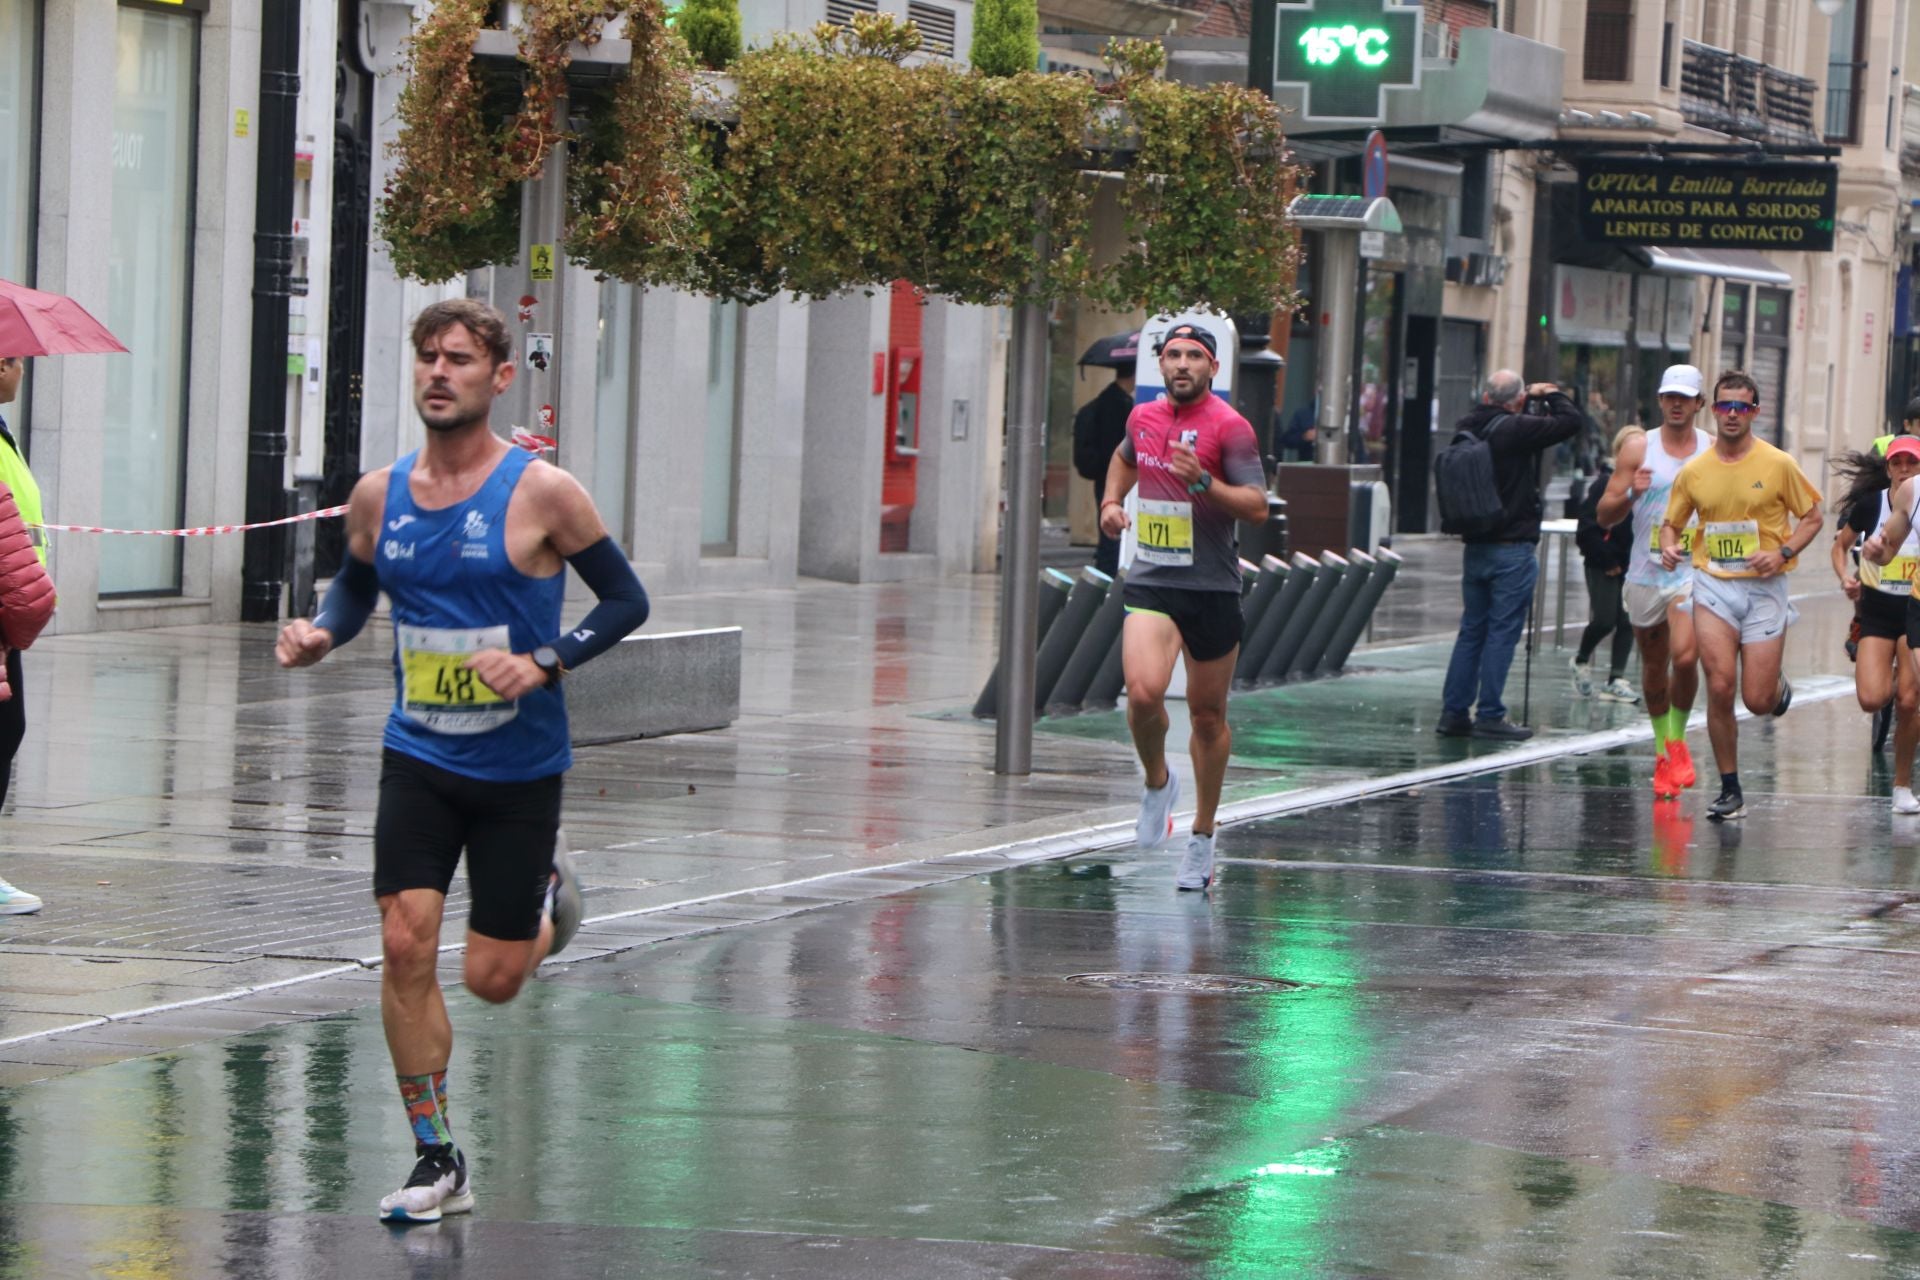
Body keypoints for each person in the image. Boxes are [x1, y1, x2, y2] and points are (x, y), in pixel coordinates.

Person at [275, 300, 650, 1222]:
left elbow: (627, 600)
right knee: (404, 941)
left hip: (520, 768)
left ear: (498, 377)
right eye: (427, 358)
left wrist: (545, 659)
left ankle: (549, 899)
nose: (439, 373)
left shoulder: (543, 493)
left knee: (493, 980)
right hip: (418, 757)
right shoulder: (379, 493)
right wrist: (324, 631)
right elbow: (359, 580)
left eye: (459, 360)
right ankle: (436, 1158)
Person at [1099, 323, 1268, 891]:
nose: (1182, 364)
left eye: (1195, 356)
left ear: (1213, 368)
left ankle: (1202, 835)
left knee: (1206, 716)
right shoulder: (1142, 417)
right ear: (1160, 365)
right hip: (1152, 579)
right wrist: (1110, 502)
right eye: (1173, 355)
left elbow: (1256, 506)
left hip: (1213, 588)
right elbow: (1123, 460)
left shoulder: (1231, 428)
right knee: (1143, 693)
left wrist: (1204, 485)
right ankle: (1156, 782)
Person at [1662, 370, 1822, 822]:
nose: (1732, 414)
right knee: (1718, 684)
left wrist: (1784, 551)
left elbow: (1813, 515)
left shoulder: (1778, 464)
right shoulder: (1695, 471)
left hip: (1765, 587)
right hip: (1713, 583)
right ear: (1713, 410)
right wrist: (1672, 544)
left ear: (1754, 412)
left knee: (1756, 700)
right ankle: (1730, 788)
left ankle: (1774, 684)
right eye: (1724, 406)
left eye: (1741, 407)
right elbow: (1673, 523)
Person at [1435, 371, 1582, 741]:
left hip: (1477, 545)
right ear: (1518, 401)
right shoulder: (1514, 429)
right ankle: (1490, 712)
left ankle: (1454, 712)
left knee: (1472, 630)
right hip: (1512, 548)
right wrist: (1550, 392)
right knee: (1502, 632)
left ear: (1485, 396)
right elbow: (1571, 422)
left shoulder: (1468, 427)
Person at [1594, 364, 1714, 799]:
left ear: (1700, 404)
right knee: (1653, 668)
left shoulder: (1714, 449)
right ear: (1660, 401)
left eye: (1685, 397)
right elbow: (1604, 514)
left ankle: (1677, 742)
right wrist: (1632, 493)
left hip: (1692, 572)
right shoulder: (1638, 449)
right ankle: (1664, 749)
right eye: (1669, 396)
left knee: (1685, 659)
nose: (1677, 404)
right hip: (1645, 572)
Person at [1832, 436, 1920, 813]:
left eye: (1911, 463)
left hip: (1913, 609)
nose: (1903, 470)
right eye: (1896, 463)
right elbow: (1846, 545)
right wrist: (1850, 574)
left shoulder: (1915, 493)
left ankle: (1902, 785)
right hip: (1879, 611)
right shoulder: (1875, 504)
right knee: (1872, 697)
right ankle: (1898, 675)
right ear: (1887, 468)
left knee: (1909, 699)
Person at [0, 356, 48, 916]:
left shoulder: (2, 429)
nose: (20, 371)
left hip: (8, 613)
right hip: (0, 610)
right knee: (0, 731)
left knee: (3, 732)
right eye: (14, 361)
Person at [1570, 428, 1638, 705]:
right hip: (1604, 564)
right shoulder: (1605, 484)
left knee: (1629, 621)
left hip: (1634, 566)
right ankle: (1581, 659)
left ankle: (1616, 678)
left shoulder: (1649, 484)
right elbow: (1586, 528)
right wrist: (1607, 559)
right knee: (1605, 619)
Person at [1073, 365, 1136, 578]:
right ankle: (1107, 579)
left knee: (1107, 531)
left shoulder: (1102, 401)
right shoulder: (1122, 406)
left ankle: (1103, 579)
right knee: (1114, 534)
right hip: (1116, 478)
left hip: (1102, 477)